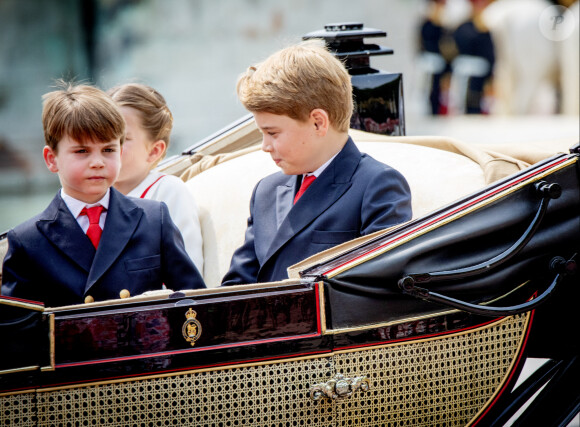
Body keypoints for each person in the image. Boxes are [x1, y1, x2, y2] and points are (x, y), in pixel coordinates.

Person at [221, 40, 412, 286]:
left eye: (273, 133)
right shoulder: (265, 192)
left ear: (318, 123)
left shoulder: (377, 185)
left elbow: (379, 288)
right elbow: (236, 287)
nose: (265, 146)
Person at [1, 82, 205, 307]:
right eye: (82, 151)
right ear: (51, 159)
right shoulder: (27, 241)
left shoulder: (154, 219)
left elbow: (192, 301)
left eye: (108, 150)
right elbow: (18, 330)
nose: (97, 162)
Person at [108, 83, 204, 272]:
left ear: (154, 151)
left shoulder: (169, 192)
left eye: (121, 139)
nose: (108, 146)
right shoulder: (91, 197)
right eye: (101, 136)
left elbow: (186, 275)